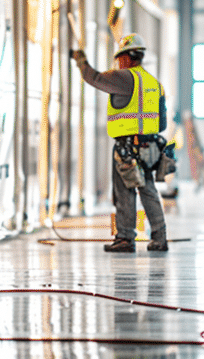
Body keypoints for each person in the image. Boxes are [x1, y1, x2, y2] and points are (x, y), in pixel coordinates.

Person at [72, 33, 168, 253]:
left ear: (127, 57)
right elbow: (161, 122)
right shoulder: (154, 84)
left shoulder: (124, 78)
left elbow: (94, 78)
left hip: (127, 147)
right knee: (149, 191)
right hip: (150, 145)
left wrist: (81, 61)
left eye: (120, 58)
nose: (118, 63)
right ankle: (160, 237)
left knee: (124, 192)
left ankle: (125, 238)